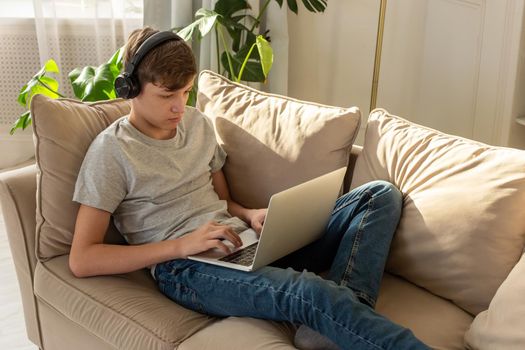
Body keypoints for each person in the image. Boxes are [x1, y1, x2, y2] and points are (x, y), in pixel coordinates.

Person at [69, 26, 430, 350]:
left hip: (245, 243)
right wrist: (183, 245)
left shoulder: (198, 125)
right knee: (308, 292)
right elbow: (83, 258)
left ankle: (331, 324)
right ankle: (338, 317)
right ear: (131, 89)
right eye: (167, 96)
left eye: (186, 92)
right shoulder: (111, 151)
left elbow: (224, 199)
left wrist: (249, 214)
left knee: (379, 194)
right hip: (185, 268)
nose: (180, 106)